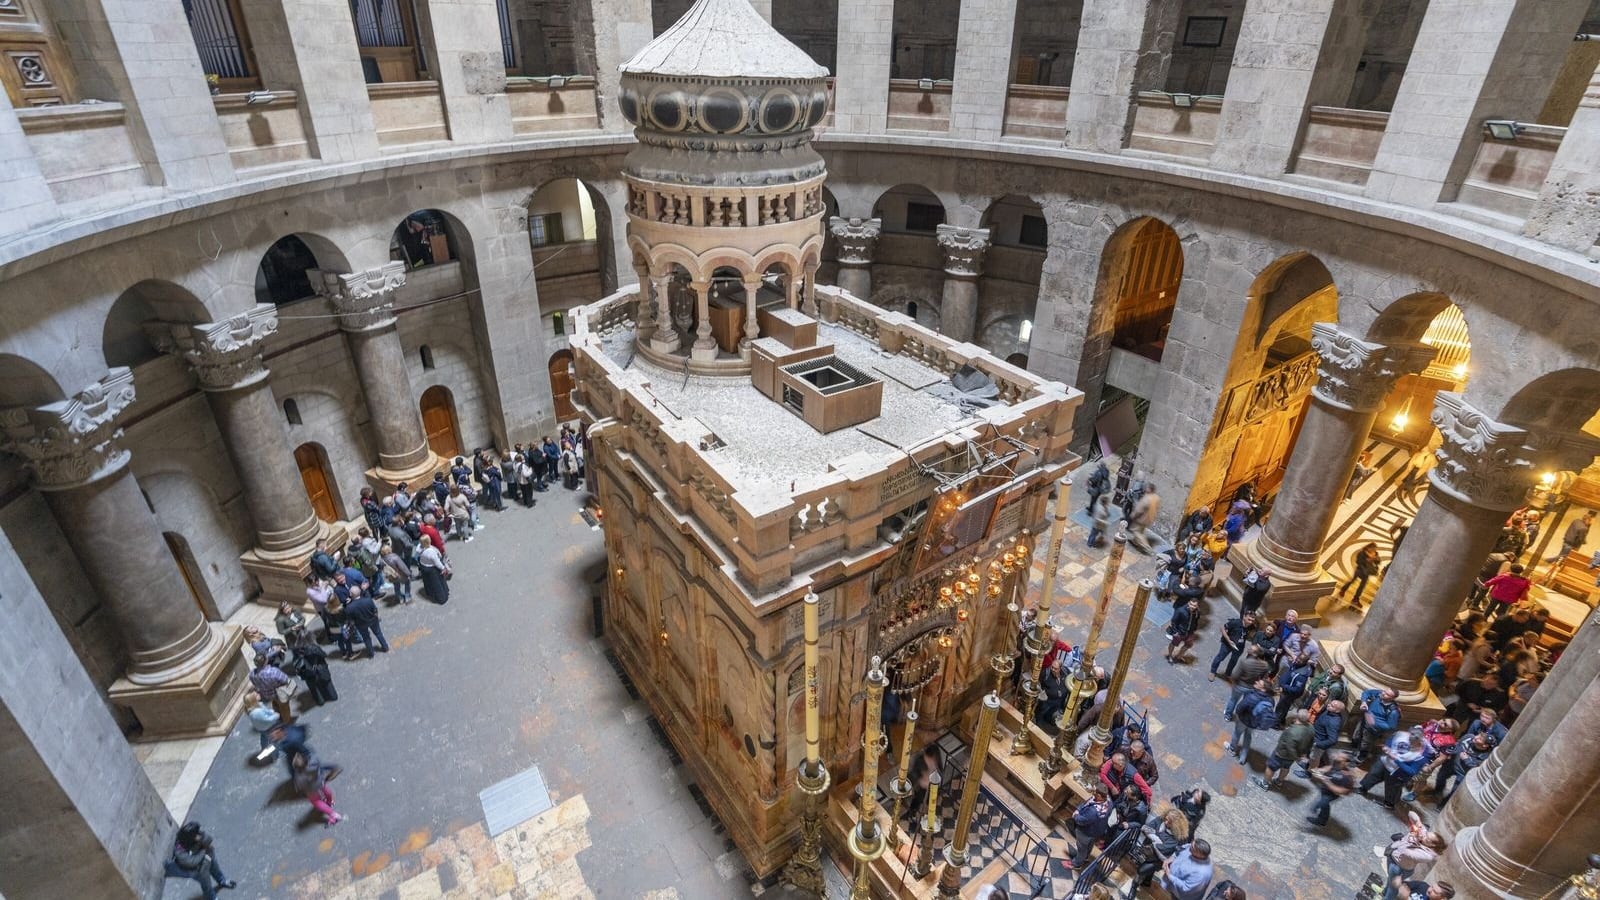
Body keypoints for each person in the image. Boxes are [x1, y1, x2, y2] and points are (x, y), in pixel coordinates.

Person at [163, 821, 237, 898]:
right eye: (196, 835)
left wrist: (202, 842)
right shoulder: (180, 852)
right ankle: (212, 897)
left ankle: (222, 880)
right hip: (199, 870)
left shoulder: (198, 834)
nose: (199, 834)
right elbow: (192, 862)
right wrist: (204, 850)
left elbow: (208, 838)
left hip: (209, 858)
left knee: (216, 869)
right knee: (207, 885)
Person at [1358, 730, 1428, 808]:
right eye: (1409, 741)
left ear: (1419, 742)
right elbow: (1392, 739)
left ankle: (1389, 804)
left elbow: (1412, 771)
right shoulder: (1403, 735)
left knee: (1393, 787)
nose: (1409, 744)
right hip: (1386, 761)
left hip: (1397, 771)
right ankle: (1363, 789)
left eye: (1412, 743)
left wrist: (1396, 760)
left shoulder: (1422, 755)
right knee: (1373, 774)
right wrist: (1387, 747)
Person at [1383, 817, 1446, 900]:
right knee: (1391, 882)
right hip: (1395, 858)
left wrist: (1413, 838)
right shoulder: (1424, 886)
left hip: (1399, 866)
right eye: (1432, 887)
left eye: (1427, 838)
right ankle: (1384, 892)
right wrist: (1418, 823)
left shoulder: (1427, 856)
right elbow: (1411, 814)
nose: (1424, 837)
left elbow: (1405, 852)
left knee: (1392, 888)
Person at [1256, 709, 1312, 790]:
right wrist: (1303, 754)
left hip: (1282, 754)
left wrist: (1296, 757)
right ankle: (1279, 781)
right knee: (1285, 768)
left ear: (1297, 717)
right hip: (1295, 754)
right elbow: (1311, 742)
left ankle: (1264, 784)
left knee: (1271, 767)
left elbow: (1289, 746)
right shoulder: (1311, 728)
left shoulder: (1291, 731)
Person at [1133, 807, 1189, 888]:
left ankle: (1133, 888)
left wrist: (1153, 835)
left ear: (1175, 825)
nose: (1165, 822)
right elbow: (1146, 828)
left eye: (1169, 822)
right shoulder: (1160, 819)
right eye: (1166, 819)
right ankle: (1147, 881)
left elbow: (1162, 849)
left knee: (1141, 870)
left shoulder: (1177, 837)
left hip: (1158, 860)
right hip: (1148, 851)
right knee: (1147, 870)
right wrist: (1157, 839)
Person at [1225, 676, 1274, 764]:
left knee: (1237, 733)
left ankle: (1232, 749)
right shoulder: (1271, 700)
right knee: (1248, 736)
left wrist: (1238, 715)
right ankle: (1243, 757)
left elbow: (1240, 708)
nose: (1257, 682)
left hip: (1243, 720)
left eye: (1260, 683)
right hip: (1254, 723)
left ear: (1263, 689)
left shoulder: (1252, 697)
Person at [291, 751, 344, 826]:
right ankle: (329, 802)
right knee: (326, 791)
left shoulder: (299, 777)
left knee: (317, 802)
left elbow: (299, 786)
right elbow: (320, 766)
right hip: (320, 781)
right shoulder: (314, 762)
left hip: (311, 790)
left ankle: (333, 814)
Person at [1305, 751, 1356, 828]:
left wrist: (1327, 782)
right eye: (1338, 755)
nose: (1337, 756)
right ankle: (1323, 820)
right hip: (1325, 789)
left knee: (1320, 804)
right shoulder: (1336, 764)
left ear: (1346, 762)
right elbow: (1324, 769)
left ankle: (1321, 819)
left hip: (1332, 794)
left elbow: (1342, 791)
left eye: (1341, 757)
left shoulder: (1347, 776)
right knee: (1324, 805)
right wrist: (1318, 772)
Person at [287, 629, 337, 705]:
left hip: (307, 671)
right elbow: (323, 654)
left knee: (313, 687)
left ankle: (320, 701)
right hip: (320, 668)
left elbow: (295, 660)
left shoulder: (297, 649)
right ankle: (333, 696)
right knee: (327, 682)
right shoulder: (314, 647)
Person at [1068, 787, 1113, 869]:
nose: (1093, 792)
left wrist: (1076, 815)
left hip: (1086, 832)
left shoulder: (1094, 811)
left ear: (1099, 795)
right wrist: (1079, 809)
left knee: (1082, 847)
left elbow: (1082, 821)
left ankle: (1077, 863)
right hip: (1097, 830)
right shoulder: (1109, 800)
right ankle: (1085, 857)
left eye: (1095, 791)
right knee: (1089, 844)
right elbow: (1087, 802)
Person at [1353, 687, 1401, 762]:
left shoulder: (1393, 711)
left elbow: (1390, 726)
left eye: (1387, 694)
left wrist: (1374, 723)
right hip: (1364, 721)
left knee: (1365, 744)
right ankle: (1355, 752)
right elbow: (1366, 692)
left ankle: (1360, 759)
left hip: (1372, 730)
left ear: (1392, 698)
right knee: (1357, 736)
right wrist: (1364, 702)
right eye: (1384, 691)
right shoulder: (1379, 694)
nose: (1383, 693)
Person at [1208, 611, 1255, 681]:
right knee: (1220, 657)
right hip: (1227, 644)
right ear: (1244, 617)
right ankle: (1212, 671)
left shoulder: (1251, 626)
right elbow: (1222, 628)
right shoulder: (1235, 623)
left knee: (1234, 660)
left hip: (1239, 647)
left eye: (1252, 620)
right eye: (1249, 619)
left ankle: (1228, 674)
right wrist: (1228, 640)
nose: (1250, 622)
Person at [249, 654, 294, 726]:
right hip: (279, 693)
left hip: (267, 694)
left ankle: (278, 717)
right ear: (266, 661)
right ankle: (287, 722)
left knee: (275, 703)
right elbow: (285, 679)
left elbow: (255, 684)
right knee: (284, 707)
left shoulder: (252, 674)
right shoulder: (273, 672)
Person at [344, 585, 389, 657]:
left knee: (366, 638)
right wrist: (376, 617)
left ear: (351, 594)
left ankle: (371, 653)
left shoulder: (349, 607)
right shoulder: (368, 600)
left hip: (361, 625)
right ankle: (385, 647)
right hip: (373, 620)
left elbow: (350, 619)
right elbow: (374, 610)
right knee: (378, 633)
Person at [1301, 700, 1346, 772]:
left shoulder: (1333, 722)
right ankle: (1307, 766)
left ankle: (1309, 773)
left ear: (1337, 711)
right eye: (1330, 703)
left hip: (1319, 743)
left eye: (1332, 706)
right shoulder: (1329, 711)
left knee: (1314, 758)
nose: (1329, 705)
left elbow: (1333, 740)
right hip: (1315, 738)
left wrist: (1318, 744)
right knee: (1311, 756)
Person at [1336, 543, 1382, 608]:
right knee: (1352, 581)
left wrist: (1375, 559)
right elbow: (1358, 562)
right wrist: (1366, 562)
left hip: (1367, 573)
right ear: (1368, 547)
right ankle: (1343, 590)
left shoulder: (1375, 554)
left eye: (1375, 549)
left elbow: (1378, 561)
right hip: (1360, 571)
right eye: (1373, 548)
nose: (1374, 550)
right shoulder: (1362, 553)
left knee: (1362, 586)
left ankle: (1356, 599)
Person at [1275, 653, 1315, 724]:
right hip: (1285, 690)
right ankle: (1281, 720)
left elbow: (1296, 689)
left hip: (1288, 693)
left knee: (1282, 708)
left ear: (1305, 662)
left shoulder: (1301, 676)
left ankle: (1276, 723)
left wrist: (1284, 688)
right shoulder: (1297, 664)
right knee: (1282, 707)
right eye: (1298, 658)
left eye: (1300, 660)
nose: (1297, 661)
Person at [1128, 483, 1162, 552]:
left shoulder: (1147, 498)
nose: (1145, 489)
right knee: (1141, 530)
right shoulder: (1156, 497)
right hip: (1149, 519)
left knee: (1136, 532)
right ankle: (1135, 542)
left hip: (1141, 519)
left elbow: (1138, 510)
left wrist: (1133, 515)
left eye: (1147, 488)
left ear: (1149, 489)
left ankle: (1147, 548)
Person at [1165, 598, 1200, 664]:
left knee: (1188, 645)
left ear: (1197, 606)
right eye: (1191, 604)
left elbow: (1196, 620)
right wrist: (1175, 632)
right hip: (1180, 632)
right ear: (1188, 603)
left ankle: (1179, 656)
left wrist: (1194, 628)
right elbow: (1174, 621)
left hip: (1190, 632)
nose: (1192, 607)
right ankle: (1170, 656)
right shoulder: (1180, 610)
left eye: (1194, 605)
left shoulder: (1197, 611)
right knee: (1173, 644)